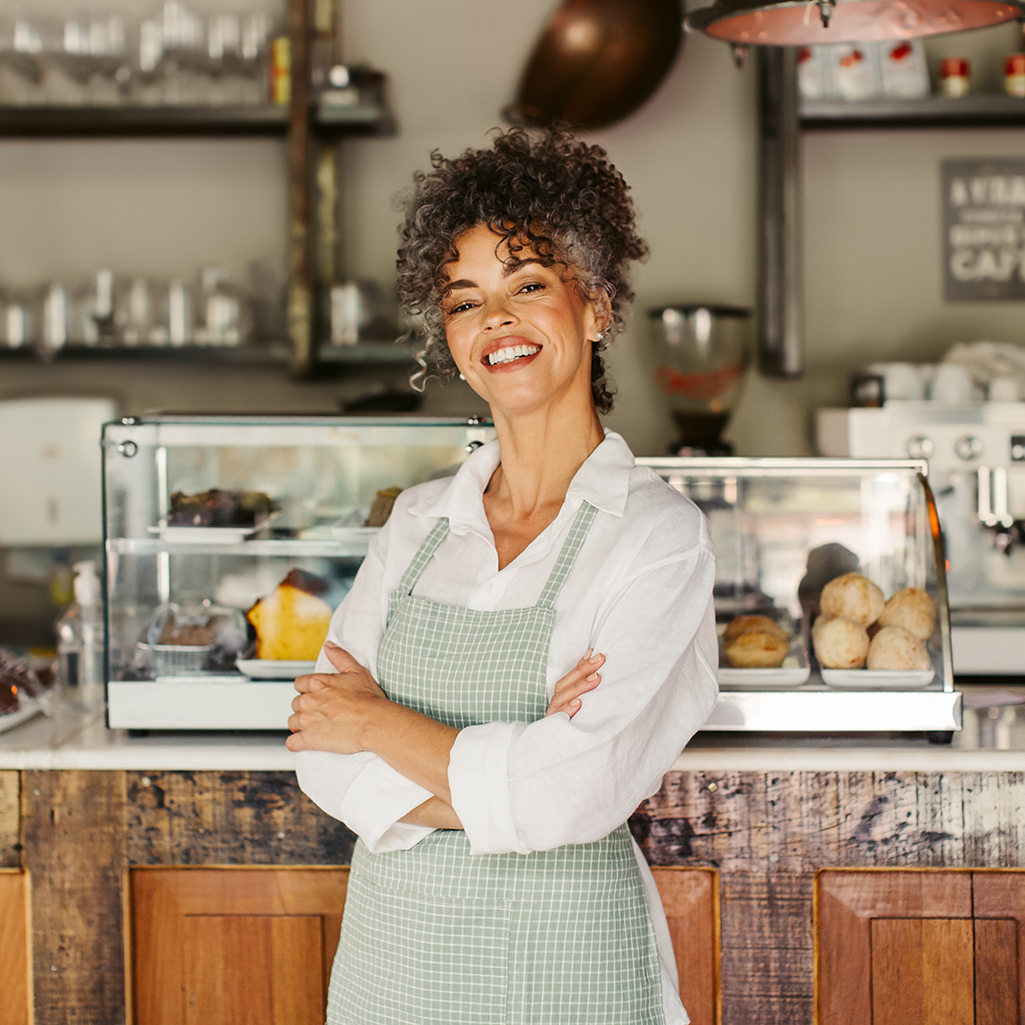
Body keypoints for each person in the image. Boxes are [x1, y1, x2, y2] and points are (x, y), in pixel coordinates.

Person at [287, 126, 718, 1025]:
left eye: (528, 286)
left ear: (594, 306)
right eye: (464, 300)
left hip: (571, 968)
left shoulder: (656, 536)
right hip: (390, 967)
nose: (496, 323)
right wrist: (515, 777)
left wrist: (377, 720)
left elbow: (578, 789)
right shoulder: (415, 521)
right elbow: (324, 761)